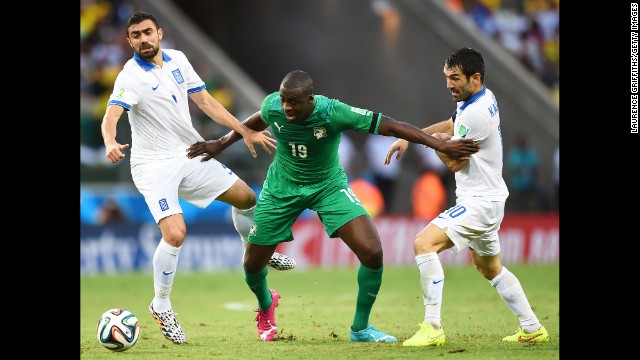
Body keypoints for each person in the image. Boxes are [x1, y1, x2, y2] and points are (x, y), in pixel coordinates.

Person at [186, 70, 479, 342]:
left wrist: (438, 144)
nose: (286, 108)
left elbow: (389, 125)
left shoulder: (333, 112)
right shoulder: (274, 105)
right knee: (252, 264)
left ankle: (361, 328)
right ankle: (266, 304)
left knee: (373, 251)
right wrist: (220, 143)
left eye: (294, 103)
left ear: (310, 100)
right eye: (284, 101)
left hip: (328, 186)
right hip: (281, 188)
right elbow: (256, 120)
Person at [100, 11, 296, 345]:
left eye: (148, 32)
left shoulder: (178, 60)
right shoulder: (129, 76)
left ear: (160, 33)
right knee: (175, 233)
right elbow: (111, 115)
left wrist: (243, 129)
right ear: (129, 41)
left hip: (188, 153)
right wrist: (109, 141)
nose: (143, 39)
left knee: (247, 198)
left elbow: (205, 101)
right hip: (153, 166)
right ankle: (161, 305)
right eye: (136, 35)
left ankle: (252, 246)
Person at [384, 47, 549, 346]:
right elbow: (451, 125)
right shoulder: (478, 98)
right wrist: (415, 136)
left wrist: (438, 145)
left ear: (475, 77)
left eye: (454, 78)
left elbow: (454, 162)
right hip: (489, 199)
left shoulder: (475, 114)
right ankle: (532, 327)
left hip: (479, 203)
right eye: (447, 77)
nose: (449, 84)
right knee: (490, 268)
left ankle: (432, 327)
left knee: (423, 243)